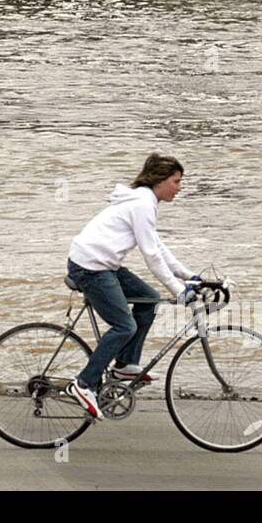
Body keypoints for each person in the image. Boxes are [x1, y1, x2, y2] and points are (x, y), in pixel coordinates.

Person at [63, 154, 199, 420]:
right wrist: (179, 290)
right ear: (160, 180)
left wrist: (188, 276)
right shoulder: (142, 205)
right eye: (176, 181)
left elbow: (157, 246)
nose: (179, 187)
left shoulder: (145, 202)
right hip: (90, 267)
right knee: (124, 326)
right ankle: (83, 384)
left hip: (103, 265)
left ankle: (124, 365)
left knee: (149, 298)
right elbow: (151, 256)